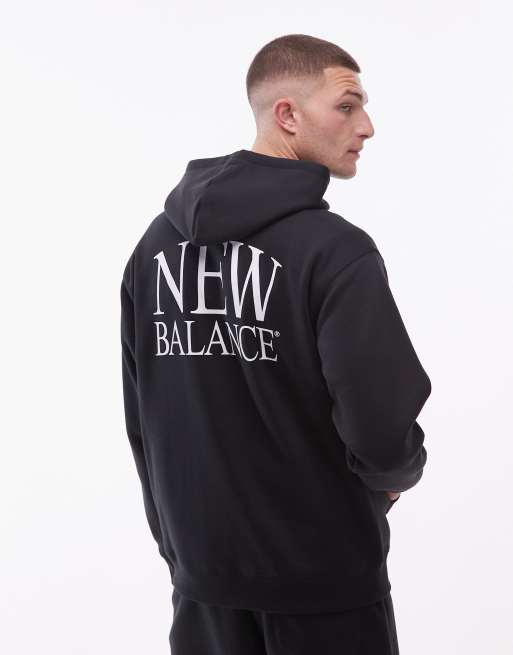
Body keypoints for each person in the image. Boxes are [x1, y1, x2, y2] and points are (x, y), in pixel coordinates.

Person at [120, 33, 431, 654]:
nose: (366, 126)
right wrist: (394, 473)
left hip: (203, 581)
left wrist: (177, 547)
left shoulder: (154, 247)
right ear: (287, 114)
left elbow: (142, 415)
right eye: (346, 105)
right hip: (324, 585)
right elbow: (378, 421)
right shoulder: (335, 251)